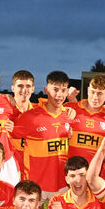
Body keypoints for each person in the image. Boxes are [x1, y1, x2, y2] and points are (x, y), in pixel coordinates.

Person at [12, 71, 73, 200]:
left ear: (67, 92)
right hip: (35, 183)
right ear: (46, 90)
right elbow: (8, 133)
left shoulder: (69, 115)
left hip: (62, 183)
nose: (59, 95)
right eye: (55, 89)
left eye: (63, 90)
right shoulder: (30, 117)